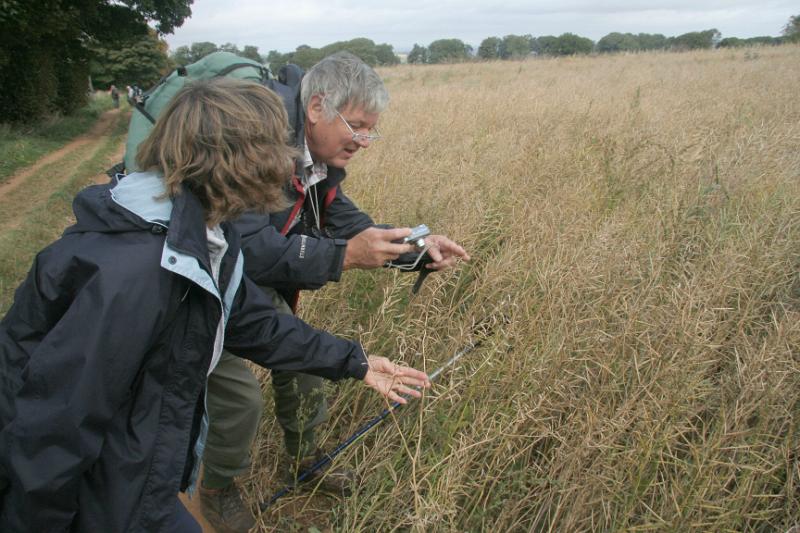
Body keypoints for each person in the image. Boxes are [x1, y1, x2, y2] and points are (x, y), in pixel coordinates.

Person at [0, 78, 429, 532]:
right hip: (100, 498)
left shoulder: (203, 234)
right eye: (276, 146)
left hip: (135, 477)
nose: (288, 161)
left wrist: (355, 361)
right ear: (239, 160)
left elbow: (250, 321)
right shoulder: (138, 273)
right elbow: (54, 430)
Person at [199, 52, 469, 531]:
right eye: (359, 126)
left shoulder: (312, 157)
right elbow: (251, 249)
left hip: (245, 275)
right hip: (198, 276)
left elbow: (341, 219)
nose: (365, 141)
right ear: (318, 106)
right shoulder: (252, 142)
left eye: (372, 129)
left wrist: (415, 248)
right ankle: (218, 486)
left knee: (303, 366)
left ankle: (306, 461)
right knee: (241, 398)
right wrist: (344, 256)